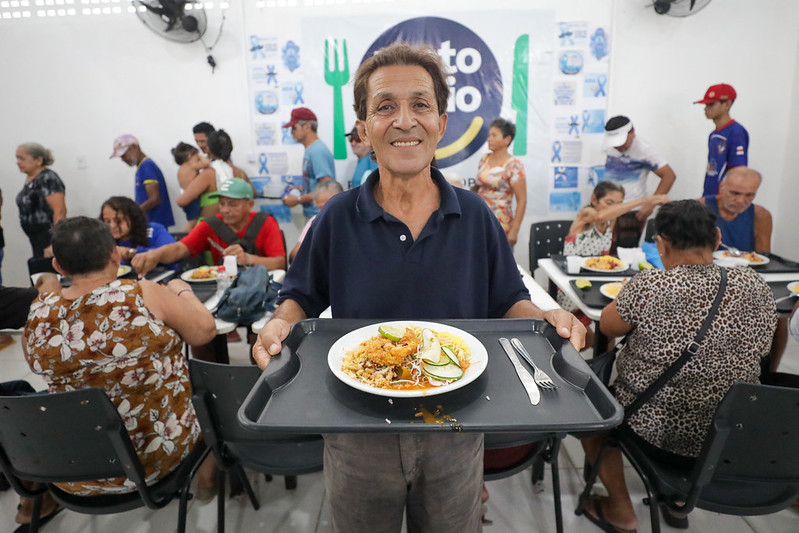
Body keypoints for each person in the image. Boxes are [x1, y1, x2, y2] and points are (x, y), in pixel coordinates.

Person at [253, 41, 586, 533]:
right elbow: (300, 296)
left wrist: (547, 319)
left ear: (442, 123)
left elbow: (509, 300)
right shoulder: (338, 216)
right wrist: (279, 324)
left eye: (421, 105)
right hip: (356, 429)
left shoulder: (474, 216)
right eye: (385, 107)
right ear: (364, 129)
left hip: (455, 426)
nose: (404, 121)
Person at [578, 200, 776, 533]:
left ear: (662, 244)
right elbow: (765, 347)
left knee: (590, 418)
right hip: (728, 439)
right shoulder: (756, 285)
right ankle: (680, 504)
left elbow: (608, 328)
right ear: (716, 239)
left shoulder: (649, 286)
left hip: (654, 434)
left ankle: (622, 512)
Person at [21, 217, 216, 510]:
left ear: (59, 267)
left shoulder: (39, 313)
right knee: (210, 393)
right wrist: (181, 289)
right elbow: (204, 331)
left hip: (72, 469)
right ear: (115, 254)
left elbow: (34, 361)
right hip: (155, 460)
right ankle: (208, 483)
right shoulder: (142, 294)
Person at [132, 178, 286, 276]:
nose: (225, 209)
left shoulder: (265, 223)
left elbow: (280, 263)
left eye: (233, 204)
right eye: (222, 203)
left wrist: (248, 259)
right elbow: (179, 248)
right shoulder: (211, 225)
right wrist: (155, 254)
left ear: (250, 205)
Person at [602, 116, 676, 248]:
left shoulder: (644, 150)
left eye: (621, 142)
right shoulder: (609, 147)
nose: (618, 146)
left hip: (630, 212)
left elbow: (669, 176)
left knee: (625, 251)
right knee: (601, 248)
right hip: (606, 208)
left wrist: (650, 204)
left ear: (632, 133)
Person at [472, 118, 527, 247]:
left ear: (507, 139)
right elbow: (477, 187)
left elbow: (522, 200)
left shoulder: (514, 166)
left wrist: (514, 231)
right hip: (479, 220)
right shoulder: (485, 159)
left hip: (501, 223)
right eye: (489, 135)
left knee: (498, 262)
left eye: (494, 135)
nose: (489, 139)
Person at [698, 167, 771, 253]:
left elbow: (763, 259)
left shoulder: (760, 216)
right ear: (721, 187)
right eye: (735, 193)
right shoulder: (698, 209)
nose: (740, 201)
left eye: (749, 195)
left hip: (746, 266)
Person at [695, 83, 748, 197]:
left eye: (711, 104)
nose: (706, 108)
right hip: (709, 196)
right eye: (705, 105)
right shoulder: (713, 135)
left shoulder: (736, 132)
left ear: (727, 104)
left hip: (724, 200)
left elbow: (738, 170)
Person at [110, 134, 175, 229]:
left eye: (124, 155)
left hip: (154, 223)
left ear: (134, 147)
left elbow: (154, 199)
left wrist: (132, 213)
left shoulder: (146, 167)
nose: (123, 159)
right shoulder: (143, 167)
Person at [281, 107, 335, 219]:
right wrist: (303, 188)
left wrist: (298, 199)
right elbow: (318, 184)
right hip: (314, 215)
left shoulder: (317, 151)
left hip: (318, 215)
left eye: (294, 127)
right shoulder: (311, 150)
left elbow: (326, 189)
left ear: (307, 126)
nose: (291, 132)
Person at [15, 142, 67, 257]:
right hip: (35, 238)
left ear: (39, 160)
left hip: (47, 237)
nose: (18, 162)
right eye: (17, 158)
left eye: (22, 158)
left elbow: (60, 211)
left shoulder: (48, 178)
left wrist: (55, 242)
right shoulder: (31, 179)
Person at [100, 196, 177, 269]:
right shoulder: (105, 239)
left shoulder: (153, 229)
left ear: (133, 218)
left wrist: (130, 252)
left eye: (118, 221)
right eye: (107, 222)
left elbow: (174, 253)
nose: (112, 226)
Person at [288, 179, 343, 262]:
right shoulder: (314, 221)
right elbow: (294, 256)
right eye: (321, 208)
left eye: (330, 206)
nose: (325, 212)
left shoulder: (352, 222)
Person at [172, 142, 211, 231]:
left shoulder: (181, 168)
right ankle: (184, 237)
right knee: (192, 222)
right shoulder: (191, 166)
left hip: (185, 195)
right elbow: (206, 163)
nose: (198, 159)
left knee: (192, 220)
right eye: (196, 157)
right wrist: (199, 154)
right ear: (190, 156)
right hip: (191, 199)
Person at [344, 124, 377, 188]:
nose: (353, 143)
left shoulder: (374, 161)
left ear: (368, 140)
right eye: (351, 139)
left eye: (358, 139)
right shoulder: (362, 161)